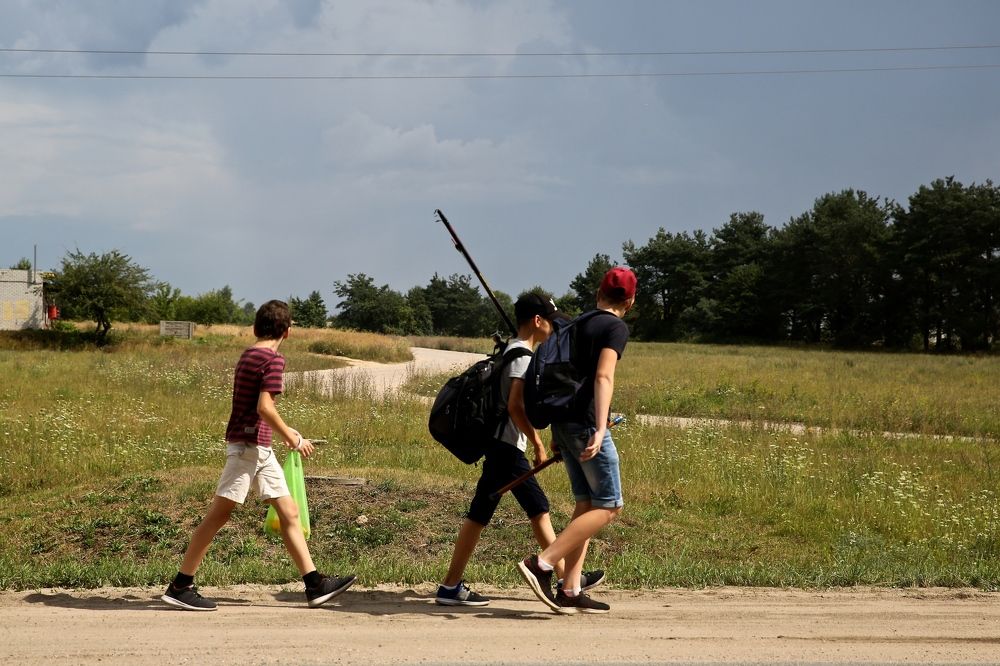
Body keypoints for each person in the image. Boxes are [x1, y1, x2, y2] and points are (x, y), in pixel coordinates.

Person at [162, 300, 355, 611]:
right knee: (218, 515)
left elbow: (257, 408)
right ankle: (181, 585)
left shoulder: (249, 354)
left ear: (256, 327)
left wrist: (286, 431)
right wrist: (291, 437)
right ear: (287, 331)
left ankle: (314, 585)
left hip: (258, 448)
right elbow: (264, 407)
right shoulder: (273, 359)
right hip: (247, 449)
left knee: (289, 512)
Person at [435, 293, 605, 607]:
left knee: (487, 514)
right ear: (538, 321)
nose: (553, 329)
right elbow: (515, 405)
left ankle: (451, 585)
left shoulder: (513, 351)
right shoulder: (523, 357)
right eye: (550, 322)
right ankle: (565, 579)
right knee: (536, 508)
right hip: (507, 447)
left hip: (500, 445)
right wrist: (538, 443)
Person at [517, 267, 636, 614]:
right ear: (630, 301)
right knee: (610, 505)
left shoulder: (578, 322)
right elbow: (603, 377)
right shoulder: (614, 327)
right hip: (585, 426)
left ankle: (570, 589)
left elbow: (563, 375)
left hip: (564, 425)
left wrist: (559, 434)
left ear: (599, 293)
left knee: (586, 503)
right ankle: (541, 563)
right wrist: (600, 428)